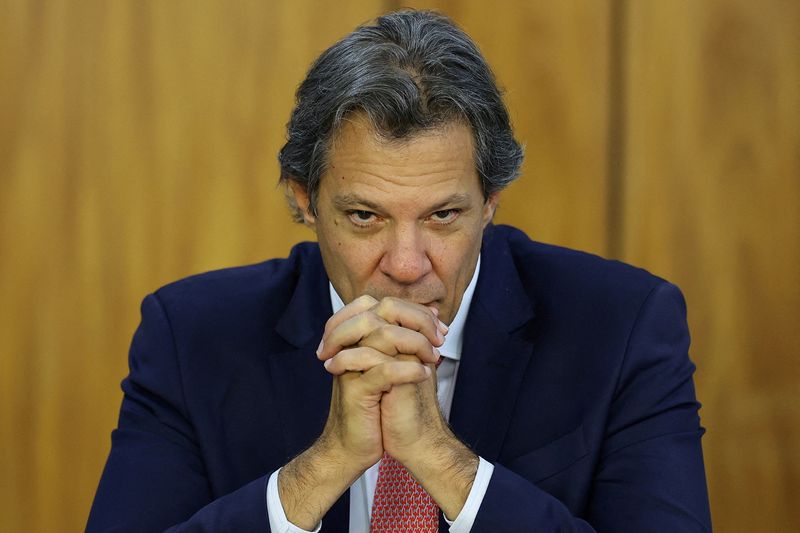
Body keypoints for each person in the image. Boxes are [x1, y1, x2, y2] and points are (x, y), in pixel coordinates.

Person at [87, 9, 711, 532]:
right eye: (364, 216)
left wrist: (439, 459)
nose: (407, 265)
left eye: (443, 215)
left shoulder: (623, 326)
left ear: (491, 201)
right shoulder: (192, 334)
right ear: (303, 199)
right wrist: (326, 464)